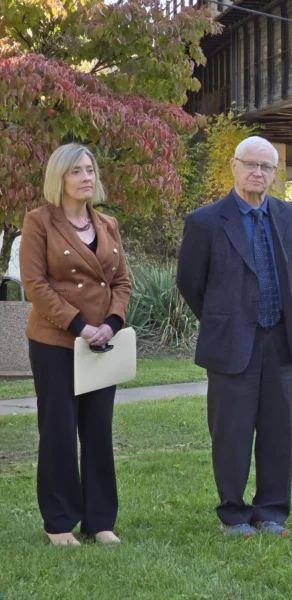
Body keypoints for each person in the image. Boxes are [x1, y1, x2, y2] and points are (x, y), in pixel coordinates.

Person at [177, 136, 292, 537]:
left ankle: (270, 512)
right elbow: (190, 283)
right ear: (233, 166)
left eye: (267, 167)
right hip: (231, 342)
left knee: (277, 429)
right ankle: (234, 513)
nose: (258, 173)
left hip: (280, 340)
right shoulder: (205, 221)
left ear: (274, 173)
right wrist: (224, 318)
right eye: (251, 164)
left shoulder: (288, 216)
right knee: (231, 431)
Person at [19, 143, 131, 546]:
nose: (86, 177)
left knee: (99, 431)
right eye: (76, 171)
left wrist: (112, 324)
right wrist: (81, 325)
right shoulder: (39, 222)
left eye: (90, 170)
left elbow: (121, 282)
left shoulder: (108, 223)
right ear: (59, 178)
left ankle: (100, 521)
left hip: (102, 344)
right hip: (56, 343)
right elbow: (35, 285)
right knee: (59, 432)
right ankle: (60, 523)